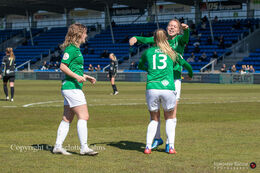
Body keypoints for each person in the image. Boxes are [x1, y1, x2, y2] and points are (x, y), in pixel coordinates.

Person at [129, 19, 193, 152]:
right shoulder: (161, 38)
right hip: (161, 80)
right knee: (156, 113)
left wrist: (186, 30)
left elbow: (186, 38)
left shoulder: (180, 39)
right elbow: (146, 40)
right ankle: (157, 138)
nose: (171, 27)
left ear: (179, 29)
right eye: (170, 25)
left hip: (174, 79)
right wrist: (136, 38)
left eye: (174, 26)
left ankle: (170, 143)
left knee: (171, 112)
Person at [53, 23, 98, 156]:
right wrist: (77, 77)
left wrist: (86, 76)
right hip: (72, 88)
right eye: (84, 33)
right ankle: (84, 148)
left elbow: (73, 69)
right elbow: (63, 66)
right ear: (78, 34)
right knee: (84, 116)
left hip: (71, 87)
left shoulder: (75, 49)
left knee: (67, 118)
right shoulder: (71, 49)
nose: (86, 35)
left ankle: (57, 146)